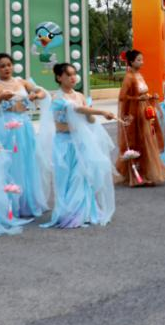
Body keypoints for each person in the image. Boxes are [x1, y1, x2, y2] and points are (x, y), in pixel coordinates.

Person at [38, 63, 119, 228]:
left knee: (81, 176)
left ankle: (85, 212)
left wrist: (91, 115)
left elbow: (88, 118)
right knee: (66, 178)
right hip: (65, 143)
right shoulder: (57, 99)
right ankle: (68, 212)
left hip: (81, 142)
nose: (72, 77)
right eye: (68, 75)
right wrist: (100, 112)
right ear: (59, 77)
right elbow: (61, 125)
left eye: (74, 74)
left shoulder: (80, 96)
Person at [0, 52, 49, 217]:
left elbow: (43, 93)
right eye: (2, 66)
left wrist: (35, 95)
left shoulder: (21, 81)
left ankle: (27, 201)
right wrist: (0, 98)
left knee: (28, 161)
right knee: (11, 163)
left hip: (24, 125)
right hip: (7, 128)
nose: (6, 68)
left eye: (9, 65)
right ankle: (11, 204)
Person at [115, 49, 165, 186]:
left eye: (142, 59)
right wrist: (137, 98)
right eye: (138, 60)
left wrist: (150, 97)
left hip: (144, 112)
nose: (142, 62)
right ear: (130, 62)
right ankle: (137, 175)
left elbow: (142, 93)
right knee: (138, 141)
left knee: (148, 140)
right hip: (135, 114)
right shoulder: (129, 77)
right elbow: (122, 97)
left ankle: (146, 172)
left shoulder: (139, 75)